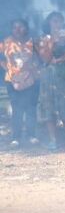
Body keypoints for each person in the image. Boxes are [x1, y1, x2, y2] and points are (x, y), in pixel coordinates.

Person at [38, 11, 65, 149]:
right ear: (49, 23)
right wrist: (52, 42)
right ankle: (53, 140)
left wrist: (58, 60)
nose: (58, 24)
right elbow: (45, 59)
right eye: (54, 21)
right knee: (49, 107)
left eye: (60, 21)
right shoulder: (43, 39)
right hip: (49, 77)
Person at [1, 19, 41, 148]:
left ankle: (31, 135)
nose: (18, 30)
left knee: (30, 108)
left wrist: (34, 67)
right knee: (17, 108)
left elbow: (40, 57)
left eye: (21, 27)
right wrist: (5, 66)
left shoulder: (32, 41)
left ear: (26, 28)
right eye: (15, 27)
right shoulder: (6, 42)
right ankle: (16, 138)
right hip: (13, 80)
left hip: (31, 79)